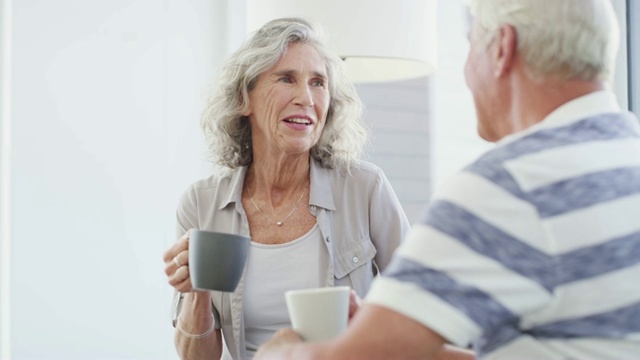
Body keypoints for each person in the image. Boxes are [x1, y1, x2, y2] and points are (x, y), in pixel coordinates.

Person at [255, 0, 640, 359]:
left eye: (471, 46)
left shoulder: (509, 186)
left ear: (502, 49)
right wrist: (400, 329)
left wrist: (285, 352)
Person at [162, 17, 410, 360]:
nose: (306, 98)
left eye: (318, 82)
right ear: (243, 100)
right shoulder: (201, 203)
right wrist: (196, 291)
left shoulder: (364, 188)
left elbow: (422, 304)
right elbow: (197, 357)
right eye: (286, 79)